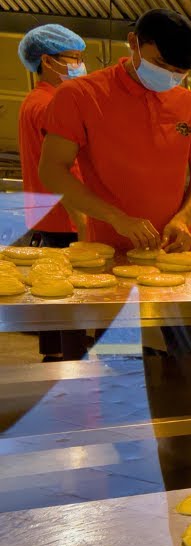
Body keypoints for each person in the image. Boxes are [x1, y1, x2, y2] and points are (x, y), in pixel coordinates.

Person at [40, 9, 191, 255]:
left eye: (180, 70)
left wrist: (184, 218)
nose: (170, 75)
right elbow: (52, 170)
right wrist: (116, 218)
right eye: (161, 64)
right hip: (110, 249)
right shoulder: (80, 95)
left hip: (177, 248)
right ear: (133, 43)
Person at [17, 24, 90, 362]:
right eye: (73, 59)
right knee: (68, 292)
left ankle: (55, 355)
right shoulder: (51, 104)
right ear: (47, 60)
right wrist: (83, 219)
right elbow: (65, 169)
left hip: (46, 214)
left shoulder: (32, 100)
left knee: (50, 284)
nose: (79, 65)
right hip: (65, 216)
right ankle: (74, 361)